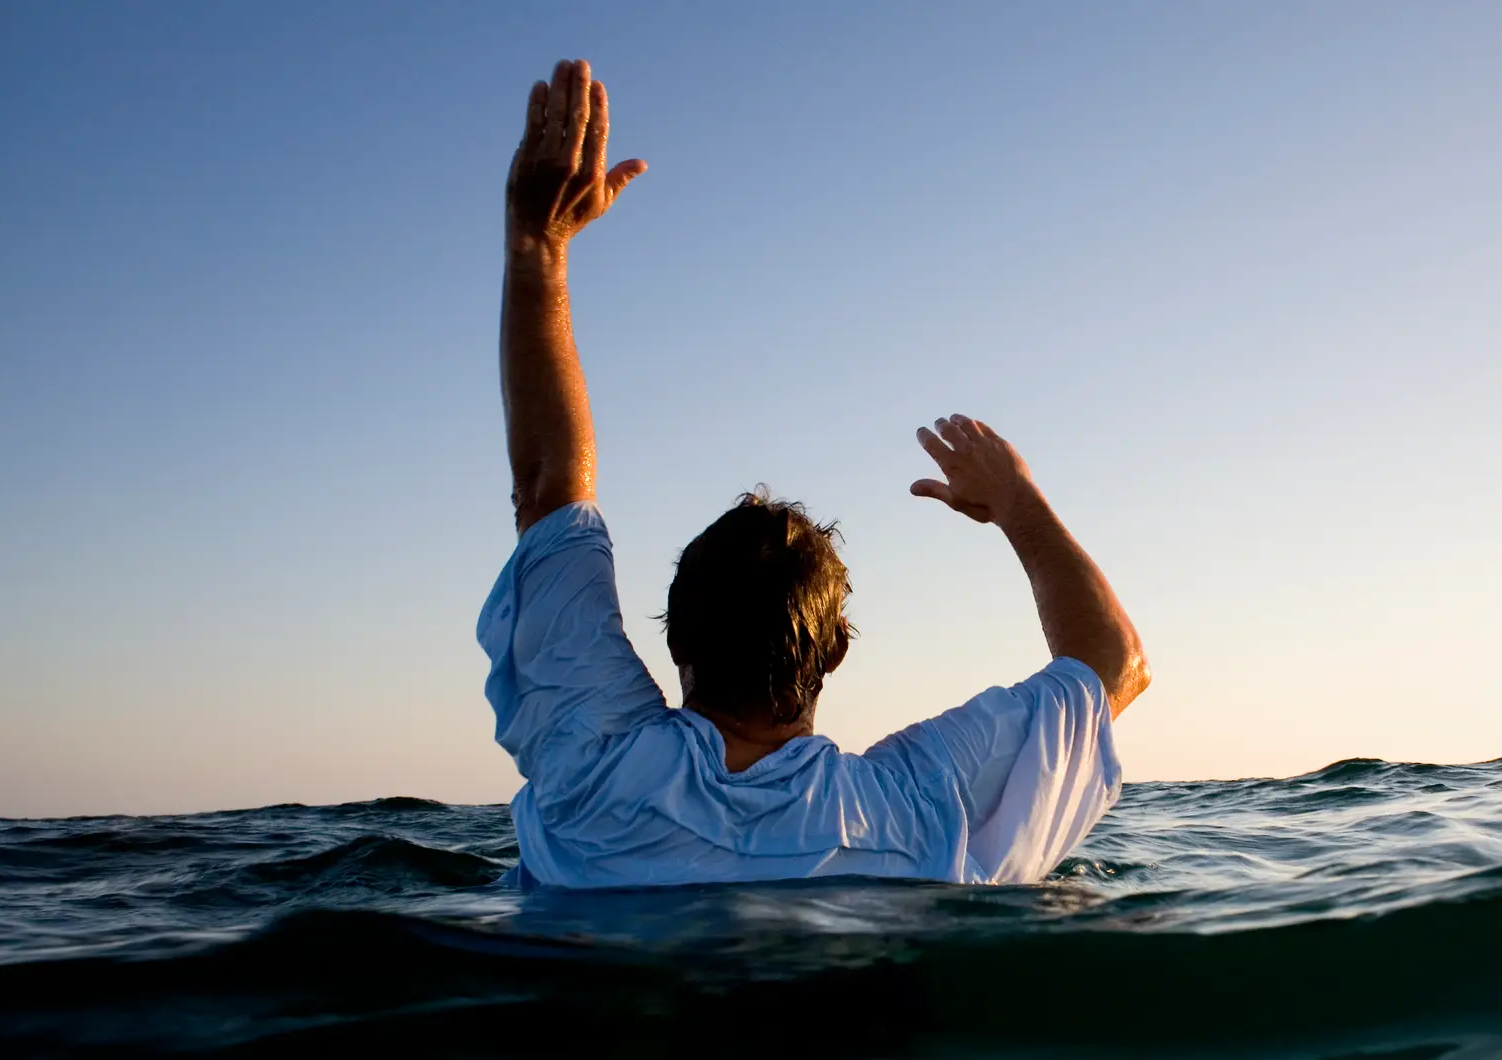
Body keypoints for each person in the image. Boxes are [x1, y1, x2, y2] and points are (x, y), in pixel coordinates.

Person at [482, 60, 1149, 887]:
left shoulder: (589, 765)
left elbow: (548, 484)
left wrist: (537, 247)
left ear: (674, 638)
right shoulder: (921, 802)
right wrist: (1017, 503)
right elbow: (1113, 662)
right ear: (833, 652)